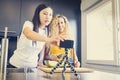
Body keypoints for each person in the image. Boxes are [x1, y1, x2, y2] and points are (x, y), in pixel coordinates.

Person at [9, 4, 64, 68]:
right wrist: (48, 39)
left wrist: (40, 61)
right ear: (38, 14)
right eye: (45, 14)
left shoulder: (46, 31)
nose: (48, 17)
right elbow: (28, 34)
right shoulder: (28, 24)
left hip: (32, 67)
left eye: (50, 15)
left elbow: (42, 47)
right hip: (16, 66)